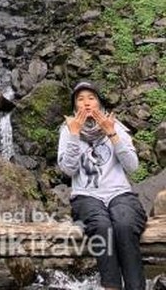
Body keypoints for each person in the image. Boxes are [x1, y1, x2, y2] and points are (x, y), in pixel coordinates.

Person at [58, 80, 147, 290]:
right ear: (75, 107)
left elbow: (132, 167)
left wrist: (112, 133)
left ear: (99, 103)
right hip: (86, 196)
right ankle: (111, 286)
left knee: (124, 225)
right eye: (80, 99)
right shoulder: (68, 129)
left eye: (91, 98)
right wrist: (74, 135)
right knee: (102, 227)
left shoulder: (115, 125)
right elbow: (68, 170)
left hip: (120, 194)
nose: (86, 103)